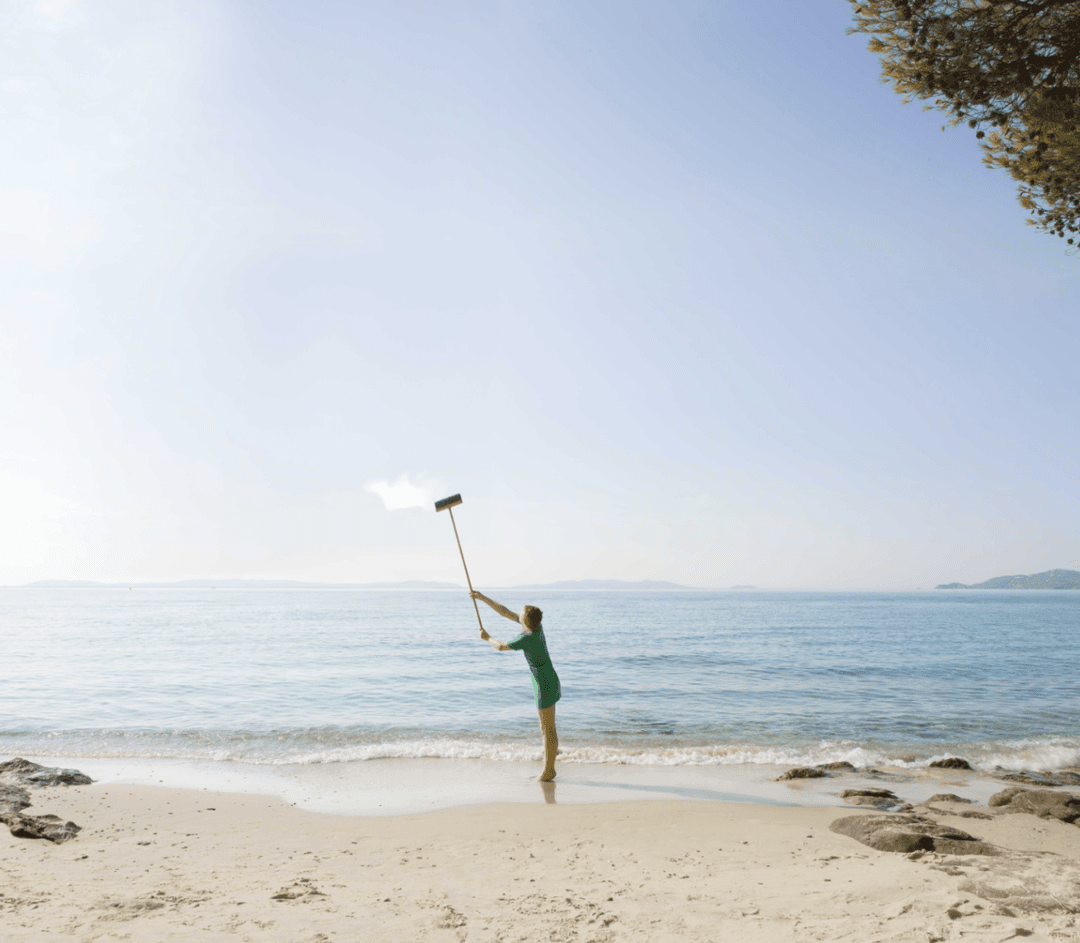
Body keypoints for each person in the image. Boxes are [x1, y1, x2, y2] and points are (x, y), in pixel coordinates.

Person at [470, 591, 561, 782]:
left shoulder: (525, 639)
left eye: (520, 615)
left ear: (525, 622)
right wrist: (482, 597)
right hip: (550, 677)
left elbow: (502, 646)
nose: (517, 615)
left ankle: (548, 771)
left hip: (543, 682)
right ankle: (549, 769)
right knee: (550, 728)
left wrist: (486, 637)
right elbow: (504, 612)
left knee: (546, 730)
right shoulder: (537, 628)